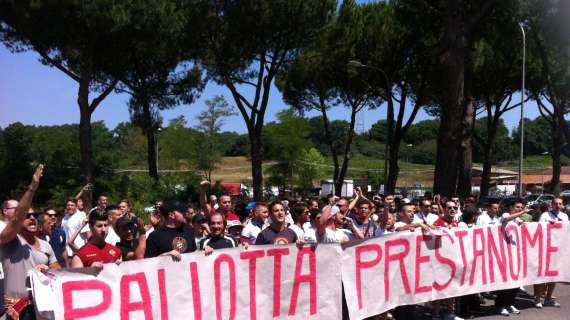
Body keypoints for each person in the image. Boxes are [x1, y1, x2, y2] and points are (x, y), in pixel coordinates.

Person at [1, 165, 61, 319]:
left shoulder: (46, 245)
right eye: (27, 216)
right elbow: (17, 217)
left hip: (43, 308)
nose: (33, 218)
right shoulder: (9, 240)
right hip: (17, 311)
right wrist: (32, 187)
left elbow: (59, 272)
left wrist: (47, 270)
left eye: (35, 215)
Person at [495, 199, 527, 316]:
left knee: (515, 282)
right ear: (511, 208)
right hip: (503, 254)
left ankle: (510, 303)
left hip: (515, 255)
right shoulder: (506, 215)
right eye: (518, 207)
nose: (520, 209)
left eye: (521, 207)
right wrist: (522, 213)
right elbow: (506, 220)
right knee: (504, 282)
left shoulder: (518, 220)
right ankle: (500, 305)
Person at [534, 197, 567, 308]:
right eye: (556, 203)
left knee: (554, 276)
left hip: (557, 250)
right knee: (542, 275)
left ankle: (548, 298)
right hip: (545, 249)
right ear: (552, 205)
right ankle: (537, 298)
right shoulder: (545, 216)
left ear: (562, 205)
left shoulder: (564, 216)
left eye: (560, 203)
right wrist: (549, 225)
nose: (558, 205)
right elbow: (538, 229)